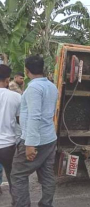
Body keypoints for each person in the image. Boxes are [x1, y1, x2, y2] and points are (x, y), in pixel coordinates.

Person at [11, 55, 58, 207]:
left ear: (26, 70)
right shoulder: (51, 86)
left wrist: (30, 144)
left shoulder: (33, 88)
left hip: (35, 139)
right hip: (49, 138)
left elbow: (34, 116)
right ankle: (46, 204)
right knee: (47, 174)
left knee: (18, 175)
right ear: (42, 68)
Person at [0, 64, 21, 202]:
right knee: (13, 178)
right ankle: (17, 202)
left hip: (8, 144)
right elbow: (21, 121)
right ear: (7, 80)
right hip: (8, 145)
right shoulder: (16, 97)